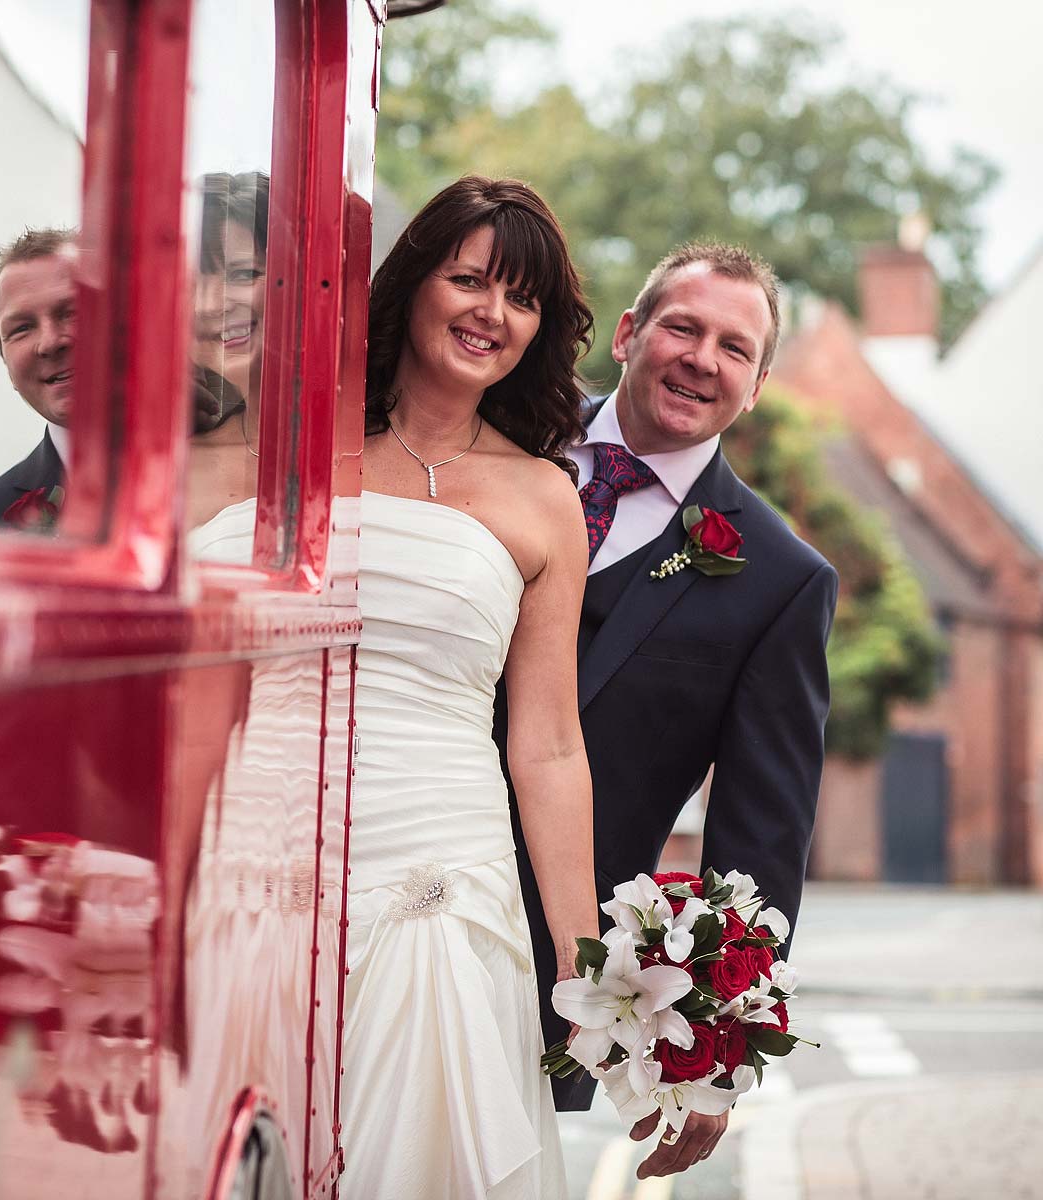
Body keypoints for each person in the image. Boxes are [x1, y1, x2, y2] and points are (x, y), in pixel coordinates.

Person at [195, 175, 597, 1198]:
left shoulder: (544, 499)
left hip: (440, 879)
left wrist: (582, 956)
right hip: (251, 859)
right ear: (413, 282)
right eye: (469, 280)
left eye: (521, 298)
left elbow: (548, 743)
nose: (492, 313)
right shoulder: (277, 446)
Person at [506, 242, 838, 1179]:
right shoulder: (498, 431)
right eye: (683, 328)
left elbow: (762, 829)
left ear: (757, 387)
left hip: (555, 955)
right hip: (379, 868)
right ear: (627, 333)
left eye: (735, 349)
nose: (702, 359)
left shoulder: (780, 580)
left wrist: (721, 1045)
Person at [0, 227, 76, 526]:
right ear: (4, 359)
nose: (49, 342)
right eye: (21, 329)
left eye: (72, 312)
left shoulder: (190, 464)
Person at [186, 172, 270, 532]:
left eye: (242, 274)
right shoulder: (173, 467)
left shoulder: (384, 447)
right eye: (187, 285)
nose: (208, 305)